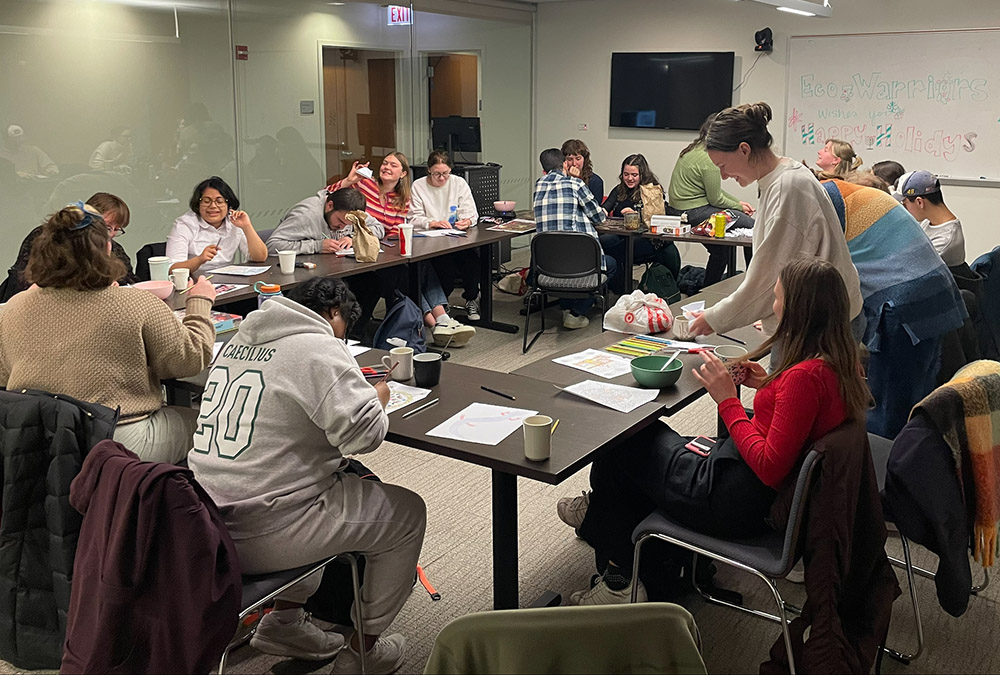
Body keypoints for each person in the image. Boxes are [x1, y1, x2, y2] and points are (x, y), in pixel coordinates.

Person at [559, 257, 871, 604]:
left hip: (733, 500)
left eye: (779, 297)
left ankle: (617, 574)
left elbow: (770, 466)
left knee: (619, 446)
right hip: (745, 484)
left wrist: (727, 400)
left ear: (799, 310)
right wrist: (769, 383)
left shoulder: (804, 378)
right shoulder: (838, 363)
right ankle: (603, 522)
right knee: (641, 437)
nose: (773, 304)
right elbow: (800, 419)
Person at [188, 276, 425, 674]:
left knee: (311, 481)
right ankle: (363, 652)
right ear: (335, 315)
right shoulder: (318, 346)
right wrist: (377, 399)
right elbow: (364, 437)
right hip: (263, 530)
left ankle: (284, 623)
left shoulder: (236, 342)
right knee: (406, 514)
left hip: (203, 523)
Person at [0, 202, 217, 464]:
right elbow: (190, 360)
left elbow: (5, 377)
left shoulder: (12, 309)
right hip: (117, 439)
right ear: (107, 248)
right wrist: (200, 302)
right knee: (217, 425)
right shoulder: (136, 303)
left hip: (40, 446)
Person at [688, 102, 863, 347]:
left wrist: (715, 318)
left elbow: (771, 276)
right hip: (817, 315)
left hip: (822, 324)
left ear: (744, 150)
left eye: (723, 166)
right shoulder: (781, 177)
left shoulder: (788, 187)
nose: (724, 176)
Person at [819, 177, 966, 437]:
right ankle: (907, 460)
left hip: (905, 305)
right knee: (914, 400)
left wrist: (847, 351)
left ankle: (885, 470)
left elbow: (837, 288)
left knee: (888, 411)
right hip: (933, 297)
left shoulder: (824, 204)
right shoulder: (848, 195)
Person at [268, 187, 475, 347]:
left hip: (341, 265)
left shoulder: (352, 211)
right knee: (377, 280)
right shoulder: (306, 215)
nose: (341, 226)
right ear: (329, 205)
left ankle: (359, 334)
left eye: (346, 224)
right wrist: (315, 245)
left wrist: (352, 235)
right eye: (339, 221)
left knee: (384, 277)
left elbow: (377, 228)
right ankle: (435, 321)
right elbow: (272, 245)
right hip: (307, 273)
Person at [667, 114, 756, 286]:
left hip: (682, 209)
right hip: (693, 211)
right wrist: (738, 206)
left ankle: (708, 291)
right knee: (751, 227)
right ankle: (752, 284)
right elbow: (715, 198)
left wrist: (739, 204)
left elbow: (714, 193)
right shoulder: (711, 157)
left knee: (720, 251)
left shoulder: (693, 149)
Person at [533, 148, 617, 330]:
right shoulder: (575, 184)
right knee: (610, 265)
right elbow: (599, 217)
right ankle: (577, 311)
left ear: (543, 170)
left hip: (548, 265)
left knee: (564, 259)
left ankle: (565, 307)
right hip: (579, 261)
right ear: (564, 164)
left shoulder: (538, 185)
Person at [4, 192, 138, 300]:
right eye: (108, 226)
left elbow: (130, 281)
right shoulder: (49, 237)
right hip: (46, 301)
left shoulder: (115, 248)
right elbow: (24, 277)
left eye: (117, 229)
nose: (111, 234)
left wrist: (115, 283)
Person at [409, 150, 483, 321]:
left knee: (472, 260)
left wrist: (467, 221)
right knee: (445, 267)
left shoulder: (458, 182)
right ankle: (442, 303)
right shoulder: (418, 186)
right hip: (431, 240)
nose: (442, 178)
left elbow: (471, 212)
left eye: (445, 173)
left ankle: (472, 298)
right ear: (429, 170)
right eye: (437, 174)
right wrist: (432, 222)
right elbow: (413, 218)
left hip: (455, 236)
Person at [597, 154, 681, 293]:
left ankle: (621, 290)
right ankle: (617, 288)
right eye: (626, 174)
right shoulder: (619, 190)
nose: (629, 178)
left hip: (645, 238)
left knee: (616, 247)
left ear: (642, 174)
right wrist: (602, 211)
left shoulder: (652, 190)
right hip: (622, 234)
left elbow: (656, 216)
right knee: (604, 241)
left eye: (634, 175)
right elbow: (606, 207)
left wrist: (636, 215)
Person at [166, 176, 268, 275]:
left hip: (229, 282)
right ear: (198, 204)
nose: (213, 206)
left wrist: (247, 226)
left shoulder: (234, 221)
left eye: (219, 201)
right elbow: (172, 269)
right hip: (194, 284)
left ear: (228, 204)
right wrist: (199, 260)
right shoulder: (184, 225)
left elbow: (260, 257)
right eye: (206, 201)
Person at [894, 170, 966, 267]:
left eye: (904, 204)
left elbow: (909, 267)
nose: (905, 209)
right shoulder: (928, 220)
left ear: (919, 202)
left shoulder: (945, 240)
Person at [330, 152, 411, 238]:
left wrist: (385, 246)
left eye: (393, 165)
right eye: (384, 163)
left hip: (381, 244)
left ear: (403, 174)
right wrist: (349, 180)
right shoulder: (364, 183)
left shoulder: (404, 199)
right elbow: (328, 195)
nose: (387, 167)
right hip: (350, 238)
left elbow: (396, 230)